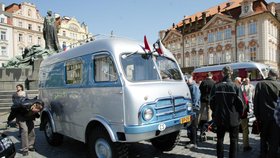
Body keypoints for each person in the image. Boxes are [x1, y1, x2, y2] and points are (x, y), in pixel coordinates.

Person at [210, 66, 244, 158]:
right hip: (233, 118)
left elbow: (212, 103)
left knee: (220, 139)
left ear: (222, 73)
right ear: (231, 73)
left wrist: (215, 112)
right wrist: (238, 115)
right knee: (233, 140)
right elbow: (241, 104)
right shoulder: (235, 87)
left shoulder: (216, 86)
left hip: (220, 117)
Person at [254, 69, 280, 158]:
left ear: (269, 74)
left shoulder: (260, 84)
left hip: (263, 116)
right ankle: (272, 155)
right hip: (276, 117)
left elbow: (256, 101)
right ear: (276, 76)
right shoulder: (279, 85)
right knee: (275, 138)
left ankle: (263, 154)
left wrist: (256, 115)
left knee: (263, 137)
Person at [185, 76, 200, 149]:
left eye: (187, 79)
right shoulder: (190, 86)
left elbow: (195, 99)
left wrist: (192, 109)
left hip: (194, 109)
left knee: (193, 126)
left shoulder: (193, 87)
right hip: (191, 108)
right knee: (191, 126)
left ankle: (194, 143)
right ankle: (193, 140)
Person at [240, 78, 254, 152]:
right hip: (244, 111)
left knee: (244, 128)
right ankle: (245, 145)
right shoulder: (241, 88)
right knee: (245, 129)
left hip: (242, 111)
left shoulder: (251, 87)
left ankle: (244, 144)